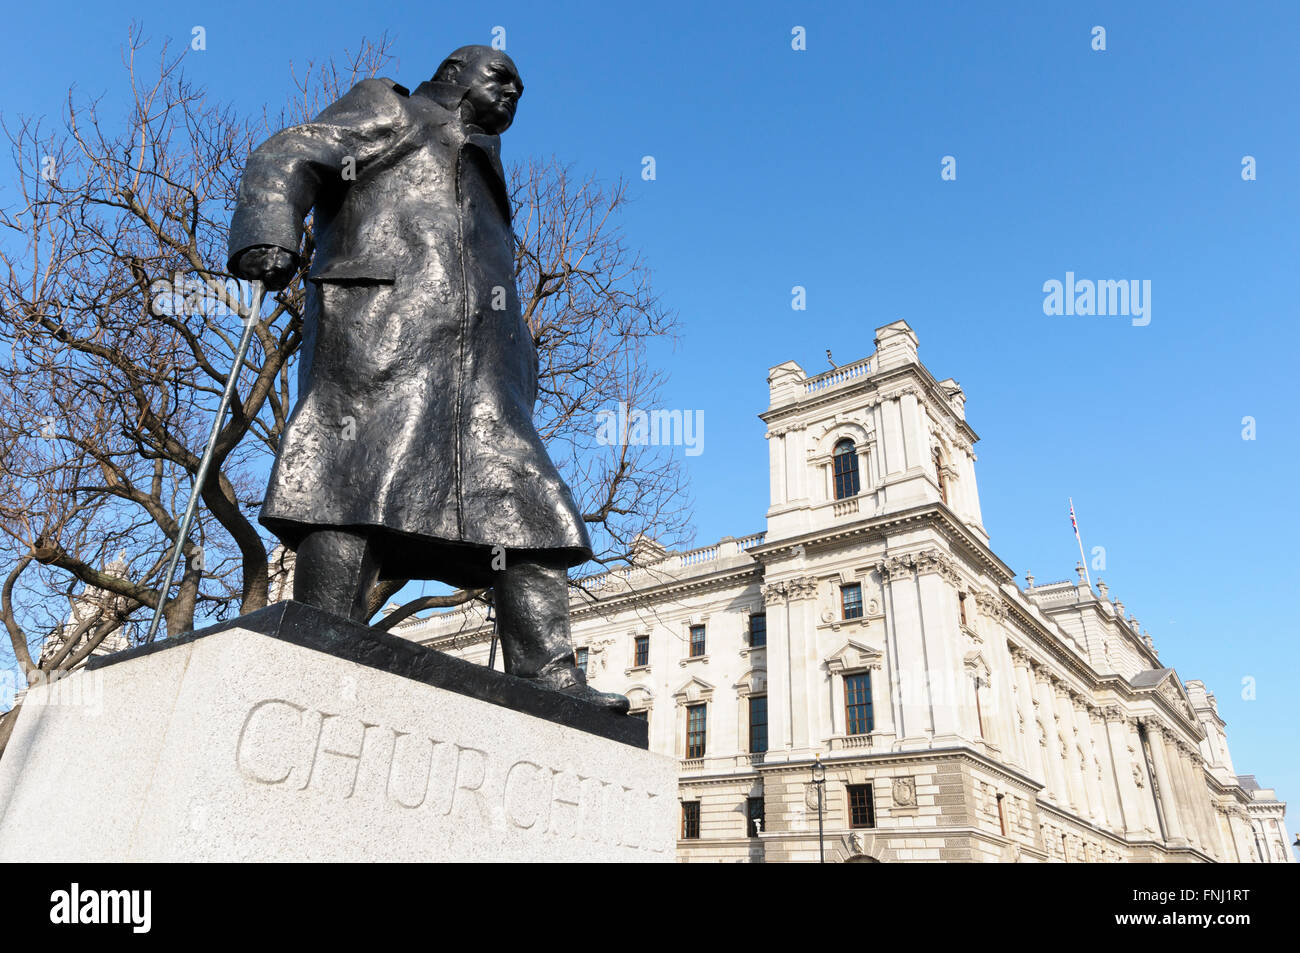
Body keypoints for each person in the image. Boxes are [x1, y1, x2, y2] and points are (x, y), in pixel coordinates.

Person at [228, 45, 626, 711]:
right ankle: (323, 632)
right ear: (453, 75)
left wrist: (520, 358)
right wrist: (269, 230)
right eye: (502, 78)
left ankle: (549, 672)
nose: (513, 95)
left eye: (521, 90)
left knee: (528, 502)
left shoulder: (488, 166)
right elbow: (288, 151)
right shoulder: (392, 107)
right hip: (382, 333)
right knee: (348, 480)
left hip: (483, 374)